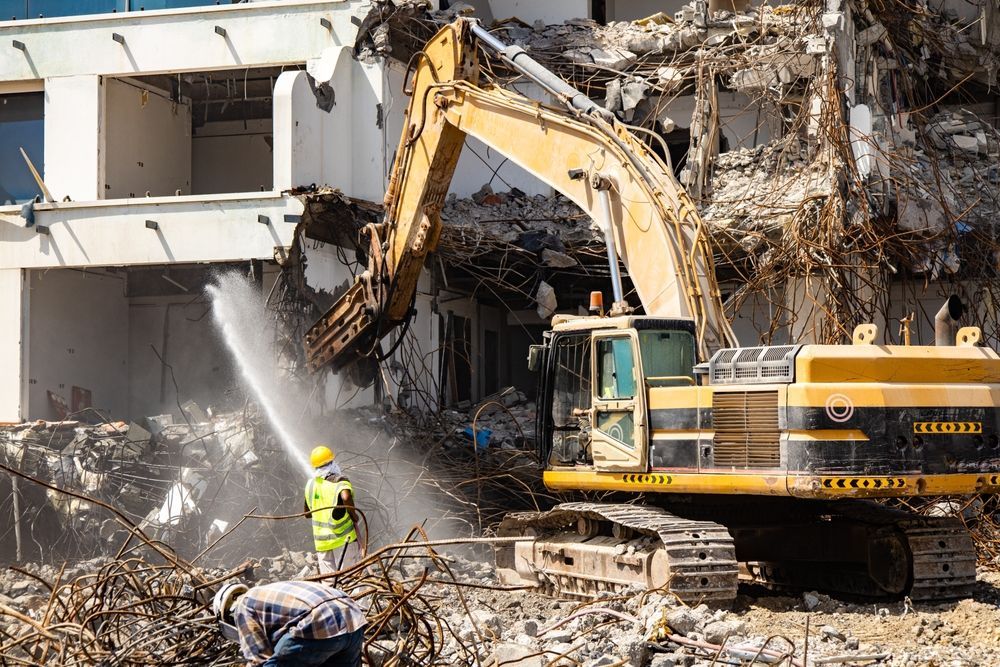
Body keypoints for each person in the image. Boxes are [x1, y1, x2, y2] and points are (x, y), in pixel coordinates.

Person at [214, 580, 366, 667]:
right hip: (353, 617)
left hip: (319, 621)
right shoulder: (268, 592)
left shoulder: (242, 606)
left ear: (228, 614)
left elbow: (259, 659)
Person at [304, 445, 365, 575]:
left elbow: (307, 514)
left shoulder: (310, 485)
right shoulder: (339, 481)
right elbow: (346, 496)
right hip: (343, 540)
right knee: (351, 579)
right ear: (332, 463)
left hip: (322, 544)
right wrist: (354, 515)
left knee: (330, 584)